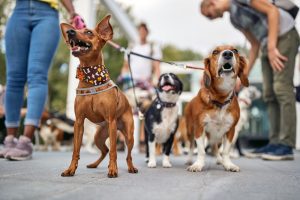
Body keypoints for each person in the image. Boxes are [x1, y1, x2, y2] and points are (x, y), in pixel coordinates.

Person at [200, 0, 300, 160]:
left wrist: (273, 47)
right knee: (269, 93)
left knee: (282, 88)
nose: (212, 19)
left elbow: (273, 12)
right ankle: (275, 142)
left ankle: (286, 145)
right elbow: (254, 44)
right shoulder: (234, 18)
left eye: (209, 15)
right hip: (267, 44)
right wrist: (242, 75)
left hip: (283, 36)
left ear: (211, 4)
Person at [0, 0, 78, 161]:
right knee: (14, 77)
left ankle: (26, 141)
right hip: (19, 10)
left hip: (47, 13)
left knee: (37, 75)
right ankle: (9, 140)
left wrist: (72, 13)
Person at [120, 22, 162, 153]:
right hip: (131, 82)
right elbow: (125, 65)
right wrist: (123, 76)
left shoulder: (152, 47)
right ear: (138, 32)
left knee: (147, 109)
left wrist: (157, 80)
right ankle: (122, 140)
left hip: (146, 83)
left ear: (147, 32)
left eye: (144, 31)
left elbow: (156, 66)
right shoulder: (132, 46)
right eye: (140, 31)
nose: (142, 33)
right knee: (124, 109)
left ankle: (144, 140)